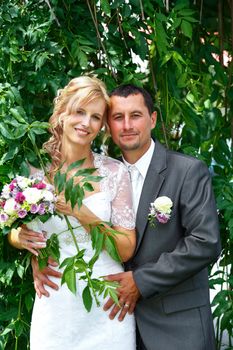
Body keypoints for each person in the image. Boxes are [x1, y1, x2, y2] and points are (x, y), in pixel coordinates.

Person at [27, 84, 221, 350]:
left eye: (136, 115)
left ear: (152, 119)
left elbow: (205, 242)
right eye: (118, 117)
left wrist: (141, 281)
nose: (127, 125)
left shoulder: (186, 171)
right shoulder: (108, 169)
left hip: (175, 325)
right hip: (109, 313)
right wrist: (31, 249)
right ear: (109, 126)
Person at [8, 77, 136, 350]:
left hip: (106, 305)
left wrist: (81, 212)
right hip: (56, 305)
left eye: (95, 117)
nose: (86, 123)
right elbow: (14, 225)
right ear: (62, 113)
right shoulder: (35, 171)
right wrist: (21, 240)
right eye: (79, 111)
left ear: (101, 125)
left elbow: (126, 250)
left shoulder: (114, 172)